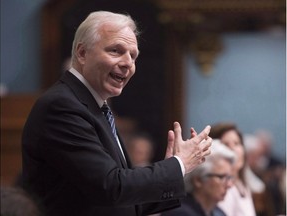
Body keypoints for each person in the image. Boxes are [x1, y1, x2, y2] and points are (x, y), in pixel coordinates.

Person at [21, 11, 212, 216]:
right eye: (116, 51)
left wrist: (170, 170)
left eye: (133, 56)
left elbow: (124, 201)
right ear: (82, 53)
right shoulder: (62, 106)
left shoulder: (97, 109)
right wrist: (178, 165)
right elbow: (111, 187)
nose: (127, 63)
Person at [161, 139, 236, 216]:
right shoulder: (179, 213)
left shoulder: (219, 212)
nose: (229, 185)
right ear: (198, 180)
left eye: (229, 177)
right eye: (221, 177)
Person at [209, 122, 257, 216]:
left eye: (236, 143)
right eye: (226, 144)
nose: (233, 149)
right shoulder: (221, 189)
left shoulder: (241, 184)